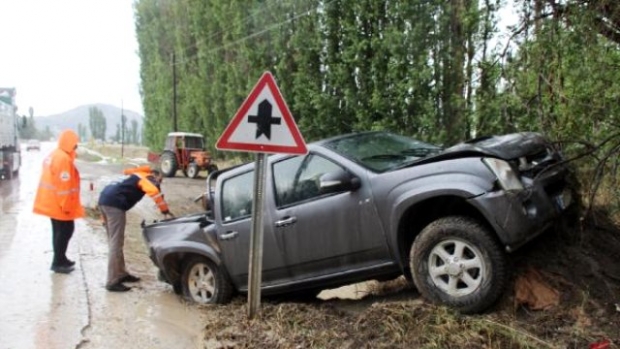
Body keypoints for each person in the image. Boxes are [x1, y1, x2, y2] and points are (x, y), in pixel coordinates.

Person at [98, 165, 174, 292]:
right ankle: (112, 281)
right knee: (116, 243)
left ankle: (120, 273)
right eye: (159, 180)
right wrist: (165, 210)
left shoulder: (135, 175)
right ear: (154, 175)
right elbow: (154, 192)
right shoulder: (146, 177)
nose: (159, 183)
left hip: (105, 201)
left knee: (115, 242)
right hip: (115, 205)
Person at [33, 129, 85, 274]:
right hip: (60, 204)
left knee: (58, 231)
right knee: (66, 230)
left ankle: (61, 258)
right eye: (75, 144)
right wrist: (66, 205)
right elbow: (64, 185)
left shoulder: (55, 154)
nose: (76, 147)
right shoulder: (63, 159)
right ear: (69, 143)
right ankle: (58, 262)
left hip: (52, 201)